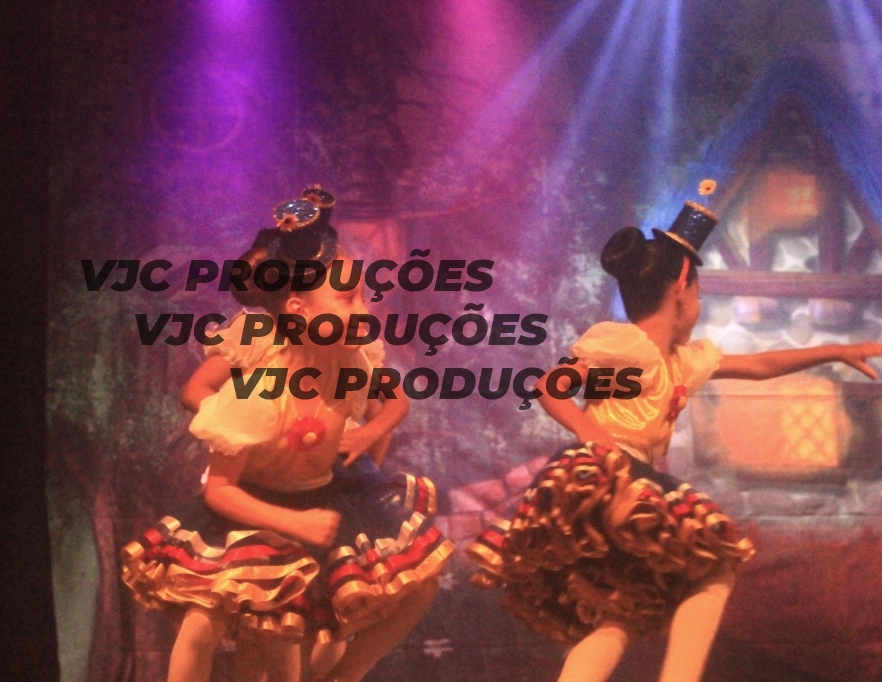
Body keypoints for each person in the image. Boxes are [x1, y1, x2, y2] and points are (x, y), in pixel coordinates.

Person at [467, 200, 882, 682]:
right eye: (700, 295)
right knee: (715, 561)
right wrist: (593, 435)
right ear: (682, 289)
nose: (699, 308)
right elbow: (550, 387)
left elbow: (760, 365)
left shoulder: (681, 361)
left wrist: (836, 349)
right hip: (608, 472)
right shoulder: (627, 346)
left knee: (617, 614)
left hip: (630, 476)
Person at [122, 191, 453, 682]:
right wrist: (231, 430)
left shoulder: (353, 359)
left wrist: (366, 437)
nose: (364, 311)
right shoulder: (258, 379)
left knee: (389, 592)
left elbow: (392, 403)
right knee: (215, 621)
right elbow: (215, 459)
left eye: (361, 297)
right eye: (348, 299)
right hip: (257, 504)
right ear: (297, 307)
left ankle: (343, 675)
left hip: (321, 494)